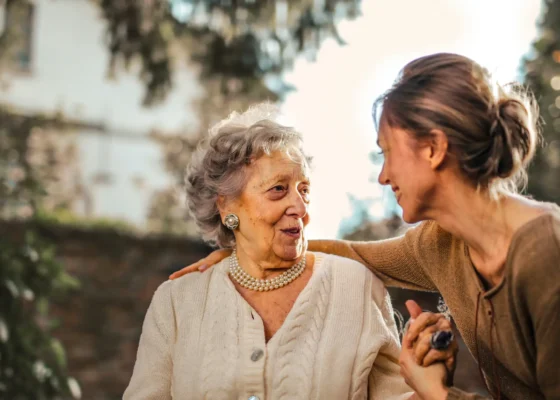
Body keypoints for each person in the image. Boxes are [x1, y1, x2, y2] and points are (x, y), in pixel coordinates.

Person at [170, 53, 560, 399]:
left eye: (388, 153)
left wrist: (438, 395)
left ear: (434, 148)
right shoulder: (440, 244)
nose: (384, 176)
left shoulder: (546, 253)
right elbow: (353, 254)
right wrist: (246, 245)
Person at [124, 104, 423, 399]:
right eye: (279, 189)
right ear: (226, 205)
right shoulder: (176, 302)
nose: (300, 207)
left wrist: (429, 381)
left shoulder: (357, 287)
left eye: (303, 189)